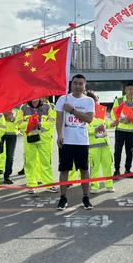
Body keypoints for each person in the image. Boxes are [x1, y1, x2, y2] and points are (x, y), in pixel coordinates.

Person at [55, 74, 95, 210]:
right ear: (71, 84)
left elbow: (89, 119)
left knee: (84, 170)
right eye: (75, 83)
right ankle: (63, 198)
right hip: (66, 141)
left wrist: (72, 110)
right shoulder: (63, 99)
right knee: (64, 169)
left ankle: (85, 197)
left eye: (81, 84)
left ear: (84, 85)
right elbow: (59, 118)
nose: (78, 86)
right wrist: (59, 134)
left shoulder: (89, 101)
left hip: (82, 141)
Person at [17, 99, 58, 194]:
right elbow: (18, 123)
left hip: (44, 139)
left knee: (46, 162)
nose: (35, 97)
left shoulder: (48, 106)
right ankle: (31, 185)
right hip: (30, 139)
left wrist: (39, 124)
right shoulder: (23, 108)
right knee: (29, 163)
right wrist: (30, 124)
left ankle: (48, 184)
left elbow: (52, 122)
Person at [86, 91, 114, 194]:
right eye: (94, 101)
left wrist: (113, 124)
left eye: (97, 100)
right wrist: (96, 129)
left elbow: (106, 124)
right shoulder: (85, 114)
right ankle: (94, 186)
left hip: (105, 144)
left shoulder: (100, 111)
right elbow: (85, 130)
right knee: (95, 166)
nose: (97, 103)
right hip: (93, 145)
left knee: (108, 164)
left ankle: (109, 184)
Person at [111, 83, 133, 176]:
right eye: (130, 89)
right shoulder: (119, 100)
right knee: (118, 151)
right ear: (125, 90)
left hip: (131, 131)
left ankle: (128, 170)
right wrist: (123, 120)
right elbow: (113, 114)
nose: (132, 91)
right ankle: (117, 170)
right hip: (120, 130)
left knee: (130, 151)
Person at [0, 108, 18, 184]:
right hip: (0, 134)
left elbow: (19, 121)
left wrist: (12, 118)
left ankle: (7, 177)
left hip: (12, 135)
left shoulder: (16, 109)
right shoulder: (0, 106)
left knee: (10, 157)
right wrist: (4, 116)